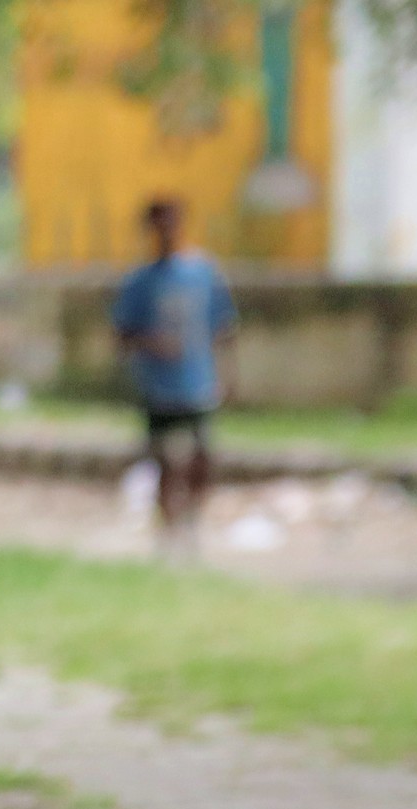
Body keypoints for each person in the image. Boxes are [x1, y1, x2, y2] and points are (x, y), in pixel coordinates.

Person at [110, 197, 236, 548]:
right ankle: (168, 531)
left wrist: (229, 376)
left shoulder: (203, 273)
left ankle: (192, 521)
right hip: (158, 387)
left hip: (198, 383)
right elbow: (122, 333)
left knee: (202, 458)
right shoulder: (139, 281)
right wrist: (152, 343)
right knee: (162, 461)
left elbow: (224, 328)